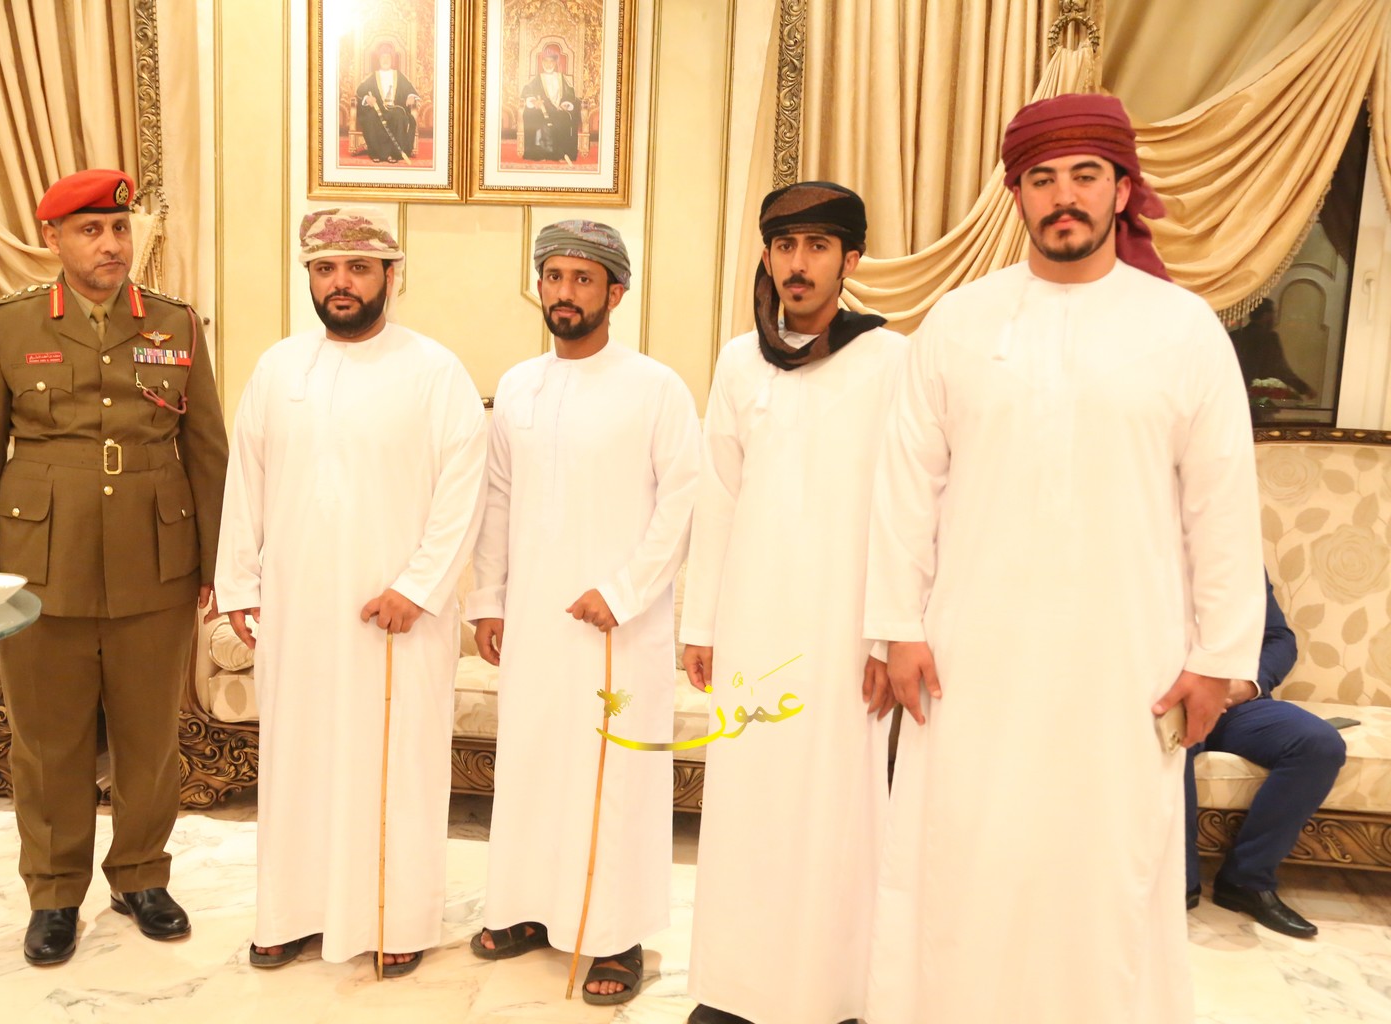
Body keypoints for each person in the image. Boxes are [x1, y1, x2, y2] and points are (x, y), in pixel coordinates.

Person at [865, 94, 1264, 1024]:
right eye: (1041, 179)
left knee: (1107, 868)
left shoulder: (1184, 328)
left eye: (1086, 175)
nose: (1063, 197)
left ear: (1123, 190)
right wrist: (896, 627)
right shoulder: (958, 324)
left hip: (1124, 665)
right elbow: (905, 486)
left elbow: (1222, 504)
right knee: (966, 855)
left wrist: (1219, 659)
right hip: (970, 659)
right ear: (1017, 195)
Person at [0, 169, 229, 965]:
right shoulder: (9, 324)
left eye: (119, 227)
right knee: (47, 742)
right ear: (53, 238)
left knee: (151, 738)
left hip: (156, 560)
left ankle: (141, 876)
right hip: (41, 563)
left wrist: (220, 565)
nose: (111, 244)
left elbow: (207, 450)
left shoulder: (175, 322)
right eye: (90, 230)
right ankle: (54, 891)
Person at [216, 206, 486, 975]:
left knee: (396, 765)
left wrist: (418, 588)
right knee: (298, 760)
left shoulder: (435, 372)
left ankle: (396, 920)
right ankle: (289, 913)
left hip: (398, 619)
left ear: (391, 277)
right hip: (297, 607)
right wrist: (239, 582)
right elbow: (246, 482)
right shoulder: (278, 368)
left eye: (359, 268)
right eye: (326, 269)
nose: (342, 283)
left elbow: (462, 492)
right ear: (309, 277)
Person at [681, 182, 908, 1024]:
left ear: (851, 260)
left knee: (837, 813)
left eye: (817, 246)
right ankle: (736, 988)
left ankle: (832, 995)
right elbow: (718, 495)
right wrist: (702, 624)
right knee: (749, 808)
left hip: (846, 630)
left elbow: (906, 505)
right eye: (784, 246)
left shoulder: (892, 361)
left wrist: (889, 634)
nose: (798, 264)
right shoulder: (739, 362)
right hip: (753, 622)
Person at [466, 221, 699, 1005]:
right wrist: (488, 600)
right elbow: (498, 500)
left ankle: (615, 936)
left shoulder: (656, 388)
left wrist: (624, 591)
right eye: (554, 276)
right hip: (535, 620)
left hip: (619, 628)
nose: (565, 293)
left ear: (615, 293)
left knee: (614, 773)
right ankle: (531, 909)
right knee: (533, 765)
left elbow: (683, 502)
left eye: (583, 279)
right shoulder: (519, 386)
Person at [1185, 575, 1346, 937]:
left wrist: (1246, 685)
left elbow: (1278, 639)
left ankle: (1246, 879)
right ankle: (1180, 882)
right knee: (1166, 750)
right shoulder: (1137, 556)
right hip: (1166, 705)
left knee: (1319, 744)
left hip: (1236, 703)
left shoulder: (1238, 560)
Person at [1230, 298, 1314, 399]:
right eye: (1273, 313)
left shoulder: (1234, 336)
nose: (1275, 318)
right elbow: (1281, 370)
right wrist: (1305, 389)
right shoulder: (1269, 338)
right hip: (1260, 395)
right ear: (1266, 315)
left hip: (1233, 392)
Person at [355, 46, 420, 163]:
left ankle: (395, 154)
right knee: (370, 118)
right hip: (378, 109)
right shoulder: (373, 76)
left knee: (399, 117)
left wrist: (410, 96)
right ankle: (377, 153)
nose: (385, 60)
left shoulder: (398, 75)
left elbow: (409, 89)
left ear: (392, 60)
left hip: (396, 108)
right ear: (379, 60)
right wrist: (367, 98)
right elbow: (360, 91)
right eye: (383, 57)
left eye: (388, 57)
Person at [519, 44, 579, 162]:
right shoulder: (537, 78)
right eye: (546, 62)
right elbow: (527, 92)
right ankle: (540, 154)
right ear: (542, 63)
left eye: (551, 62)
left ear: (555, 63)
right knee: (535, 118)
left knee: (565, 119)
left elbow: (570, 95)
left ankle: (562, 154)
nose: (548, 64)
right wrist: (534, 101)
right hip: (542, 110)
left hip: (559, 110)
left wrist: (566, 104)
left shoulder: (562, 78)